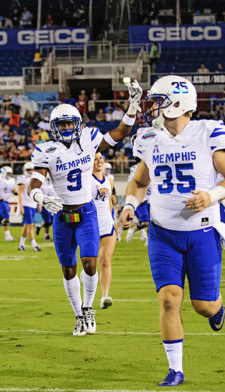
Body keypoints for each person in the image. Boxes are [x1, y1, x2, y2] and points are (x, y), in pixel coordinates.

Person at [120, 75, 225, 386]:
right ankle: (176, 369)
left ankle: (216, 308)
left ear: (177, 103)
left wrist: (211, 195)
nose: (152, 107)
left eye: (158, 101)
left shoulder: (208, 132)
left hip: (201, 232)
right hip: (162, 233)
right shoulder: (148, 138)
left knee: (203, 305)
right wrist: (130, 205)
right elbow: (140, 181)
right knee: (169, 299)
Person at [28, 79, 142, 336]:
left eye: (71, 123)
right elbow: (34, 179)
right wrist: (39, 196)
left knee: (90, 262)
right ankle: (78, 315)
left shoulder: (89, 138)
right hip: (62, 216)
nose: (67, 128)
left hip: (87, 212)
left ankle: (88, 309)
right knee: (68, 269)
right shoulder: (46, 149)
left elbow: (121, 132)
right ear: (54, 127)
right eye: (63, 124)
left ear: (77, 124)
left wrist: (133, 104)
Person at [91, 153, 116, 309]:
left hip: (107, 224)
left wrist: (114, 222)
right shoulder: (86, 179)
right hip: (90, 225)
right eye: (95, 159)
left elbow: (109, 204)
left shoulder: (108, 181)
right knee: (91, 263)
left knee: (105, 260)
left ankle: (105, 296)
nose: (99, 161)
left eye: (101, 158)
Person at [17, 162, 40, 251]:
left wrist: (38, 203)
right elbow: (20, 193)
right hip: (26, 204)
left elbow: (37, 191)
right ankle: (34, 244)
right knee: (30, 225)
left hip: (33, 204)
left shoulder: (35, 178)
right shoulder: (22, 178)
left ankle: (21, 244)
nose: (30, 171)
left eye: (32, 169)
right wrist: (21, 206)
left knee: (27, 225)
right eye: (28, 170)